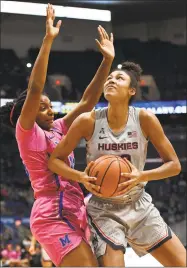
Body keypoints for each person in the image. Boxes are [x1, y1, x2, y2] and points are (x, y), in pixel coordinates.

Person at [0, 3, 115, 267]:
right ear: (26, 113)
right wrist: (48, 40)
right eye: (43, 107)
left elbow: (87, 102)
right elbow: (36, 86)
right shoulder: (27, 134)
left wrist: (107, 61)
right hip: (51, 213)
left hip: (75, 208)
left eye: (51, 106)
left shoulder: (59, 128)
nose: (50, 112)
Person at [48, 61, 186, 267]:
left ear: (132, 90)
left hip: (139, 204)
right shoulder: (88, 121)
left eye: (119, 78)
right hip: (104, 210)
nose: (111, 80)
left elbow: (174, 165)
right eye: (109, 78)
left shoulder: (145, 119)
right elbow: (54, 161)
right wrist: (81, 177)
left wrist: (142, 176)